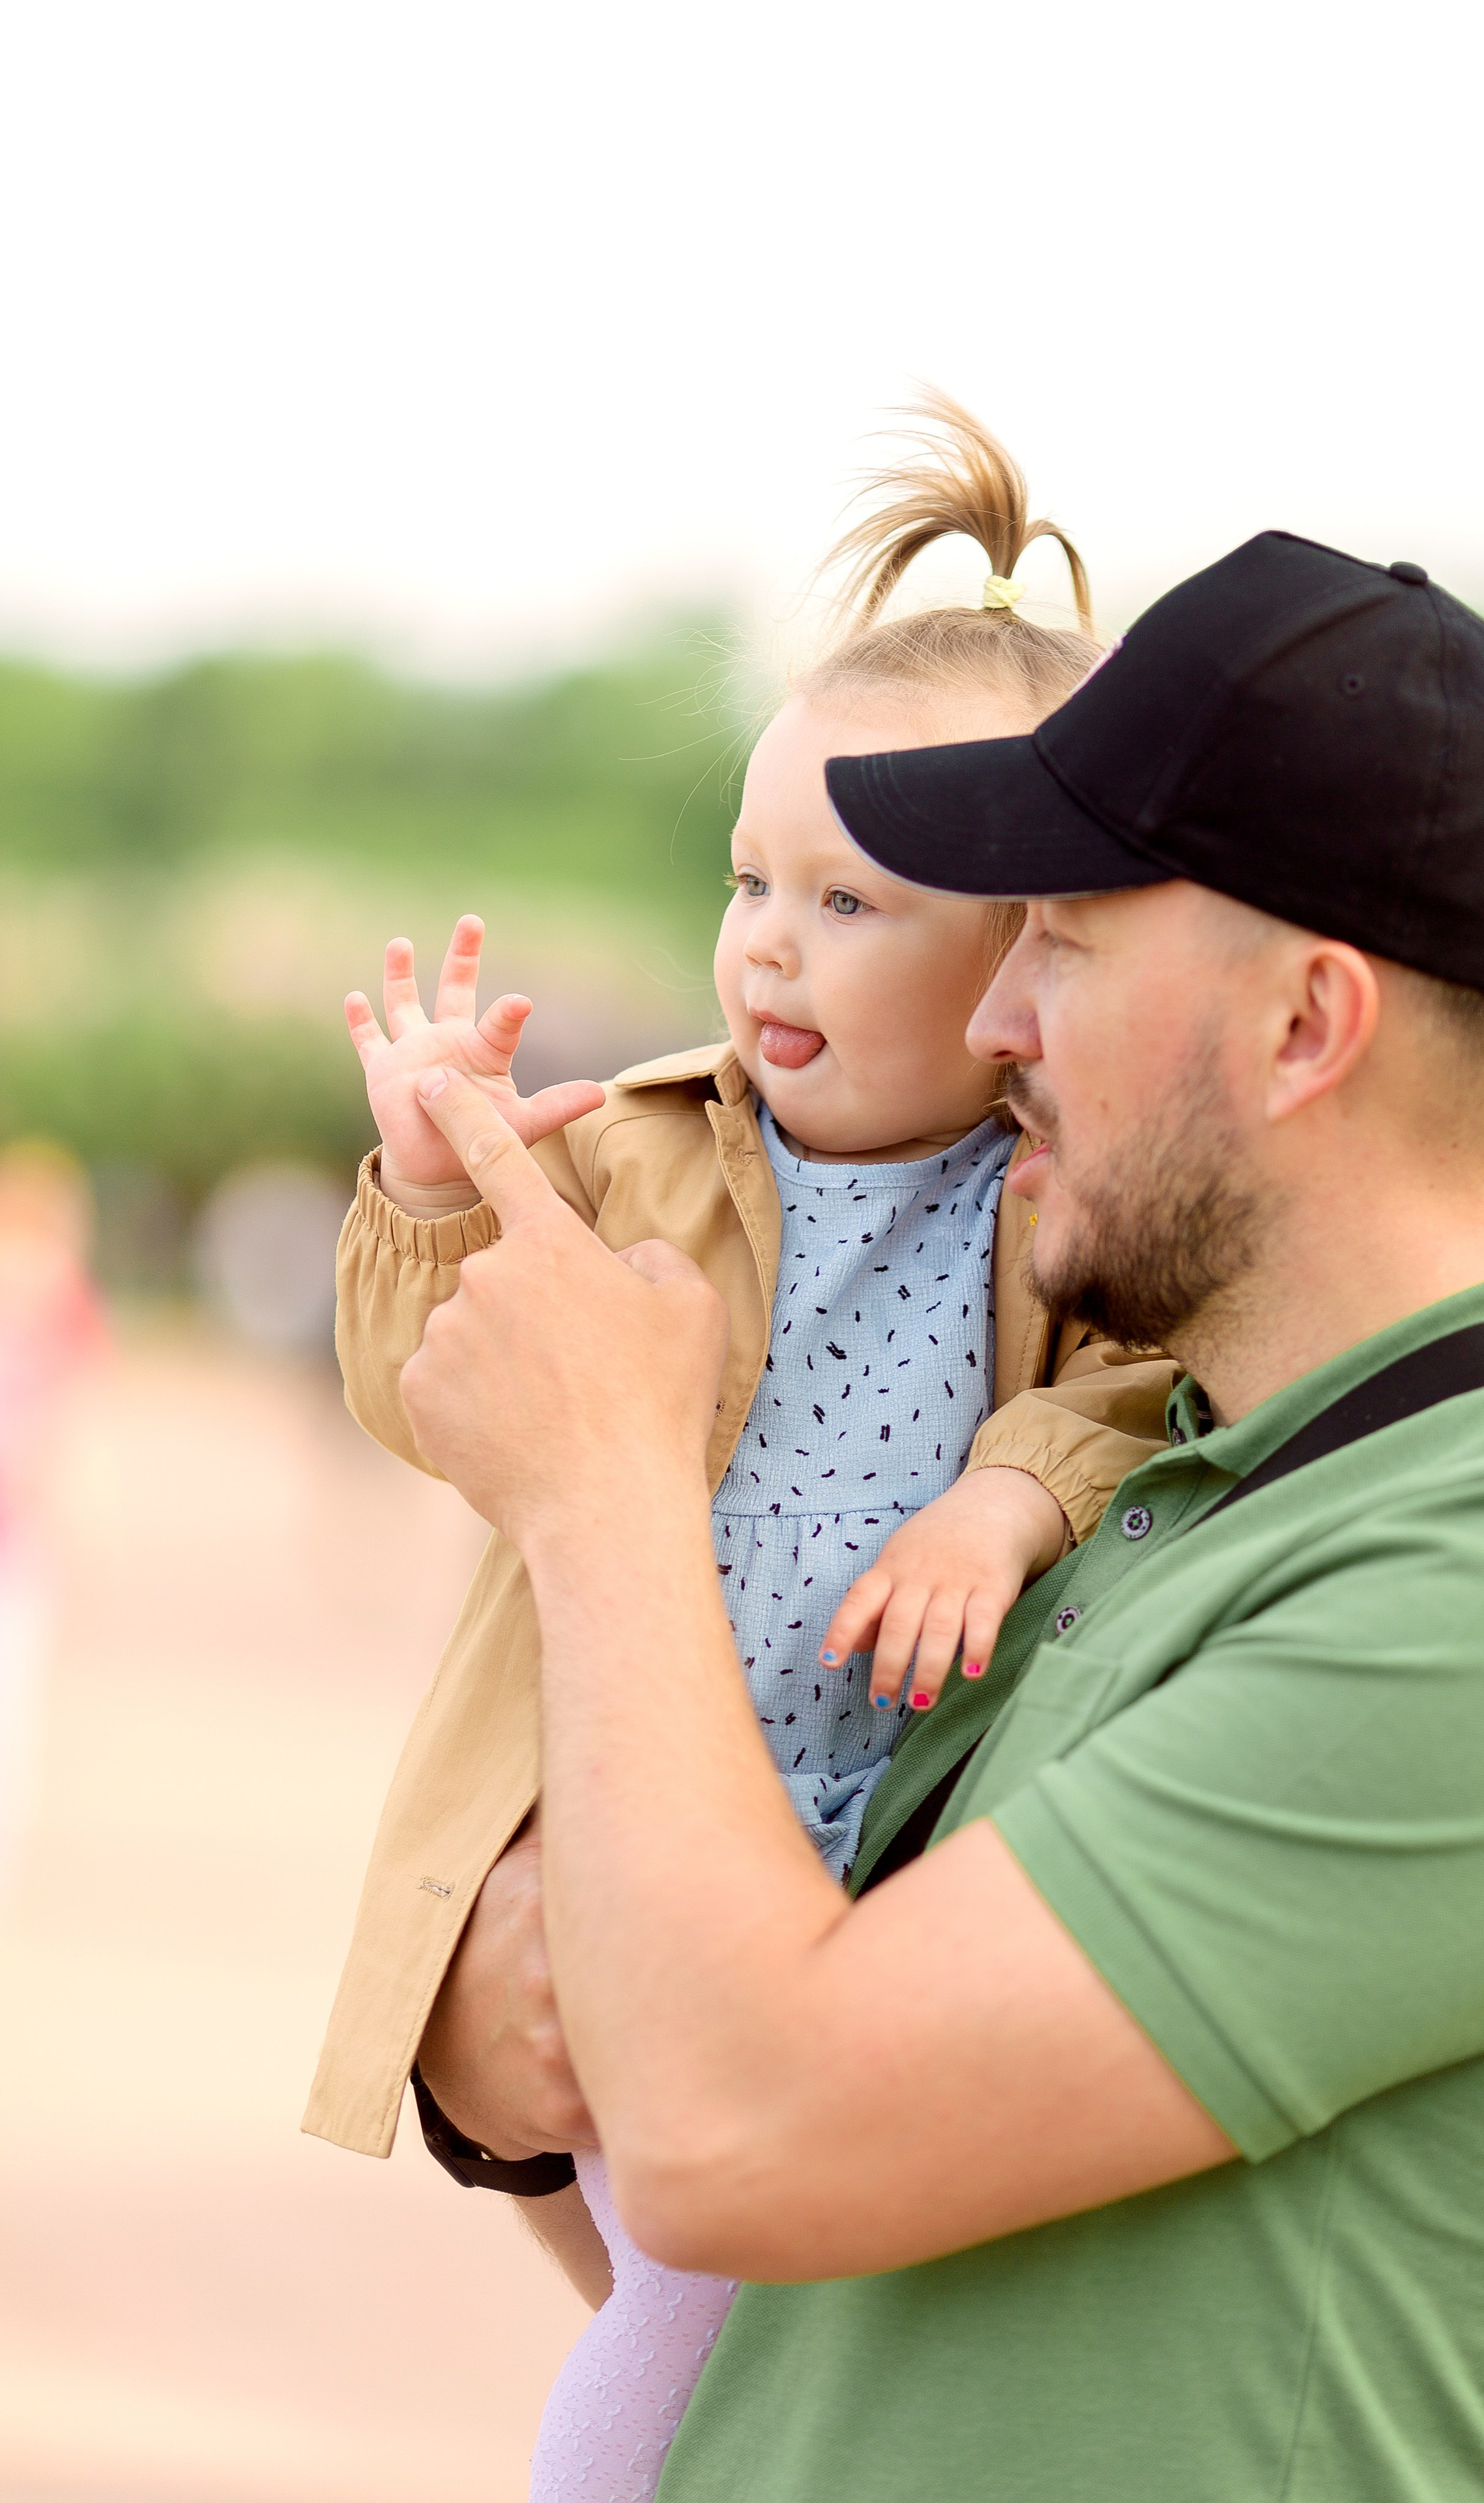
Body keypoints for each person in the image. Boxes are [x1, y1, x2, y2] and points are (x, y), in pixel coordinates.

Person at [393, 528, 1484, 2503]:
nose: (995, 1022)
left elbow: (746, 2133)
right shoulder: (1201, 1476)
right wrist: (500, 2046)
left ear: (1306, 1024)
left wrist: (603, 1490)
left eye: (1063, 938)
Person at [304, 400, 1176, 2498]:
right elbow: (425, 1393)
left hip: (866, 1882)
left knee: (727, 2327)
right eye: (750, 880)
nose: (768, 941)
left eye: (851, 902)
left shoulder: (1063, 1209)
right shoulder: (637, 1153)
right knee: (691, 2327)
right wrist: (431, 1191)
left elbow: (1145, 1397)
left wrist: (1010, 1493)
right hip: (630, 1844)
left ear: (1027, 960)